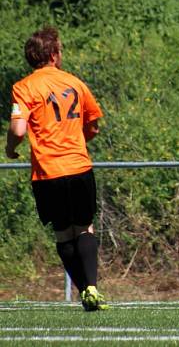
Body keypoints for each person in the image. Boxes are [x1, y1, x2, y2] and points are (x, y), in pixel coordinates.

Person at [4, 26, 108, 311]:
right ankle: (93, 288)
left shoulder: (23, 87)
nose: (61, 54)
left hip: (47, 172)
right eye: (60, 50)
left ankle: (84, 292)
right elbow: (94, 126)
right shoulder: (75, 83)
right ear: (52, 54)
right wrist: (75, 140)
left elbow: (18, 128)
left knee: (63, 234)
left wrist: (10, 148)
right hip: (78, 166)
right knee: (84, 228)